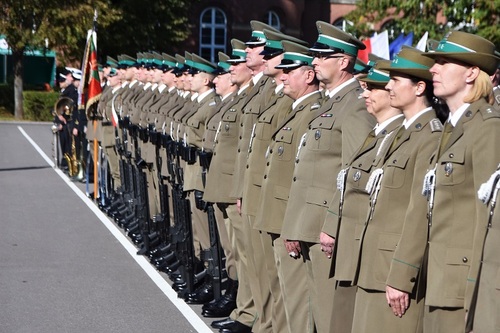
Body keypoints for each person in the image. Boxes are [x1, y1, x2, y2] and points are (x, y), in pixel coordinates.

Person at [280, 21, 375, 333]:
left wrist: (332, 226)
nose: (315, 61)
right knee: (312, 313)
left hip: (325, 228)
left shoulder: (355, 107)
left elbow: (353, 175)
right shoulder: (332, 103)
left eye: (322, 55)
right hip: (310, 224)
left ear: (344, 62)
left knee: (329, 317)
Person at [346, 47, 445, 333]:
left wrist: (402, 275)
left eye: (396, 80)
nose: (387, 86)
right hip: (374, 265)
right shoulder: (397, 134)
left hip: (393, 271)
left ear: (419, 87)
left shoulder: (429, 137)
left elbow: (419, 212)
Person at [420, 31, 500, 332]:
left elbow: (488, 218)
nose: (433, 70)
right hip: (439, 278)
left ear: (471, 72)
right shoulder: (453, 127)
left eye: (443, 62)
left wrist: (475, 289)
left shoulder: (488, 127)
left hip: (461, 285)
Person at [238, 28, 308, 333]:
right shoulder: (271, 94)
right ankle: (260, 322)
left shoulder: (292, 103)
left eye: (272, 56)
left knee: (281, 282)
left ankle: (264, 324)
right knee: (261, 269)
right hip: (260, 194)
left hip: (277, 200)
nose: (268, 62)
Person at [254, 40, 322, 333]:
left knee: (296, 300)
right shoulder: (298, 110)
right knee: (284, 293)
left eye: (289, 71)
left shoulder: (313, 112)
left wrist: (293, 226)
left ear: (308, 76)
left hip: (290, 220)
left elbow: (304, 177)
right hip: (280, 214)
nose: (282, 77)